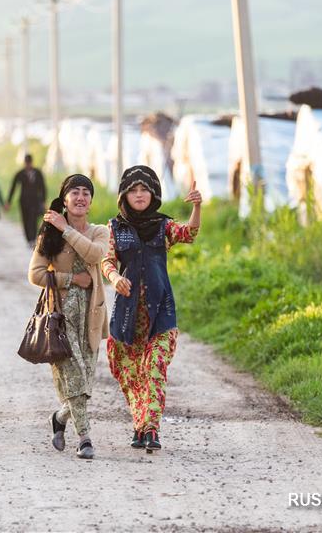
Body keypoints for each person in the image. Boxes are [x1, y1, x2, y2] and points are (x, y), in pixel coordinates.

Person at [101, 166, 201, 453]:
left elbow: (189, 233)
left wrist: (197, 206)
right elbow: (107, 261)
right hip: (128, 316)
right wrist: (115, 278)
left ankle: (152, 429)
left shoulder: (162, 226)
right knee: (131, 374)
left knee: (154, 368)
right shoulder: (114, 227)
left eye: (144, 189)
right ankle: (139, 422)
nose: (139, 194)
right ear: (124, 196)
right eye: (133, 190)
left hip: (160, 313)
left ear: (153, 193)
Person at [28, 174, 109, 460]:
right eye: (74, 191)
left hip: (91, 317)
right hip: (59, 320)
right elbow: (36, 274)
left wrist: (65, 229)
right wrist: (72, 278)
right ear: (64, 199)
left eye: (86, 192)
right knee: (74, 377)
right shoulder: (48, 233)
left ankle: (60, 418)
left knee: (84, 383)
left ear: (90, 201)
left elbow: (96, 254)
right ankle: (85, 438)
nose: (80, 196)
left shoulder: (100, 231)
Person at [5, 154, 47, 248]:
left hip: (35, 201)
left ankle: (33, 239)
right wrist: (9, 201)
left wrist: (44, 201)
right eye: (26, 163)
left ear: (31, 162)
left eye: (29, 162)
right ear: (25, 163)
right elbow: (13, 187)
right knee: (25, 220)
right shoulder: (20, 173)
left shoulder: (38, 173)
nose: (28, 164)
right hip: (23, 201)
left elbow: (43, 187)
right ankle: (28, 239)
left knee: (33, 220)